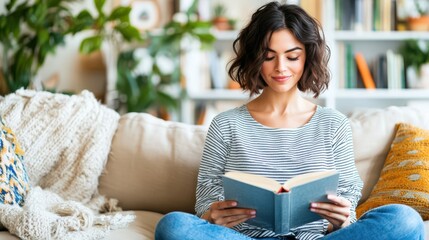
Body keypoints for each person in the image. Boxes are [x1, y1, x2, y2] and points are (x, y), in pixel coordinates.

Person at [155, 2, 425, 240]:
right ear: (255, 60)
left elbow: (348, 196)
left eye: (292, 56)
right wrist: (211, 216)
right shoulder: (226, 124)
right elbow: (205, 196)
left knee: (404, 219)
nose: (281, 68)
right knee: (173, 225)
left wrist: (342, 220)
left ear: (307, 56)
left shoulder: (333, 124)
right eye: (269, 57)